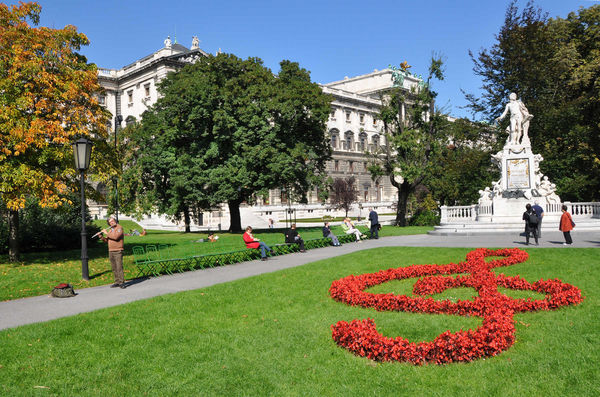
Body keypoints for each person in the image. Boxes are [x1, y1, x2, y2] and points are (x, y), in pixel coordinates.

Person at [100, 215, 126, 288]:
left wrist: (106, 233)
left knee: (119, 267)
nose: (111, 223)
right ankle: (117, 281)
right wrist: (101, 237)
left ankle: (121, 282)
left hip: (118, 250)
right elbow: (107, 240)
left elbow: (116, 237)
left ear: (115, 221)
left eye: (112, 221)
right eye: (110, 222)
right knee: (114, 267)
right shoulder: (111, 230)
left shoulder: (119, 228)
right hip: (111, 250)